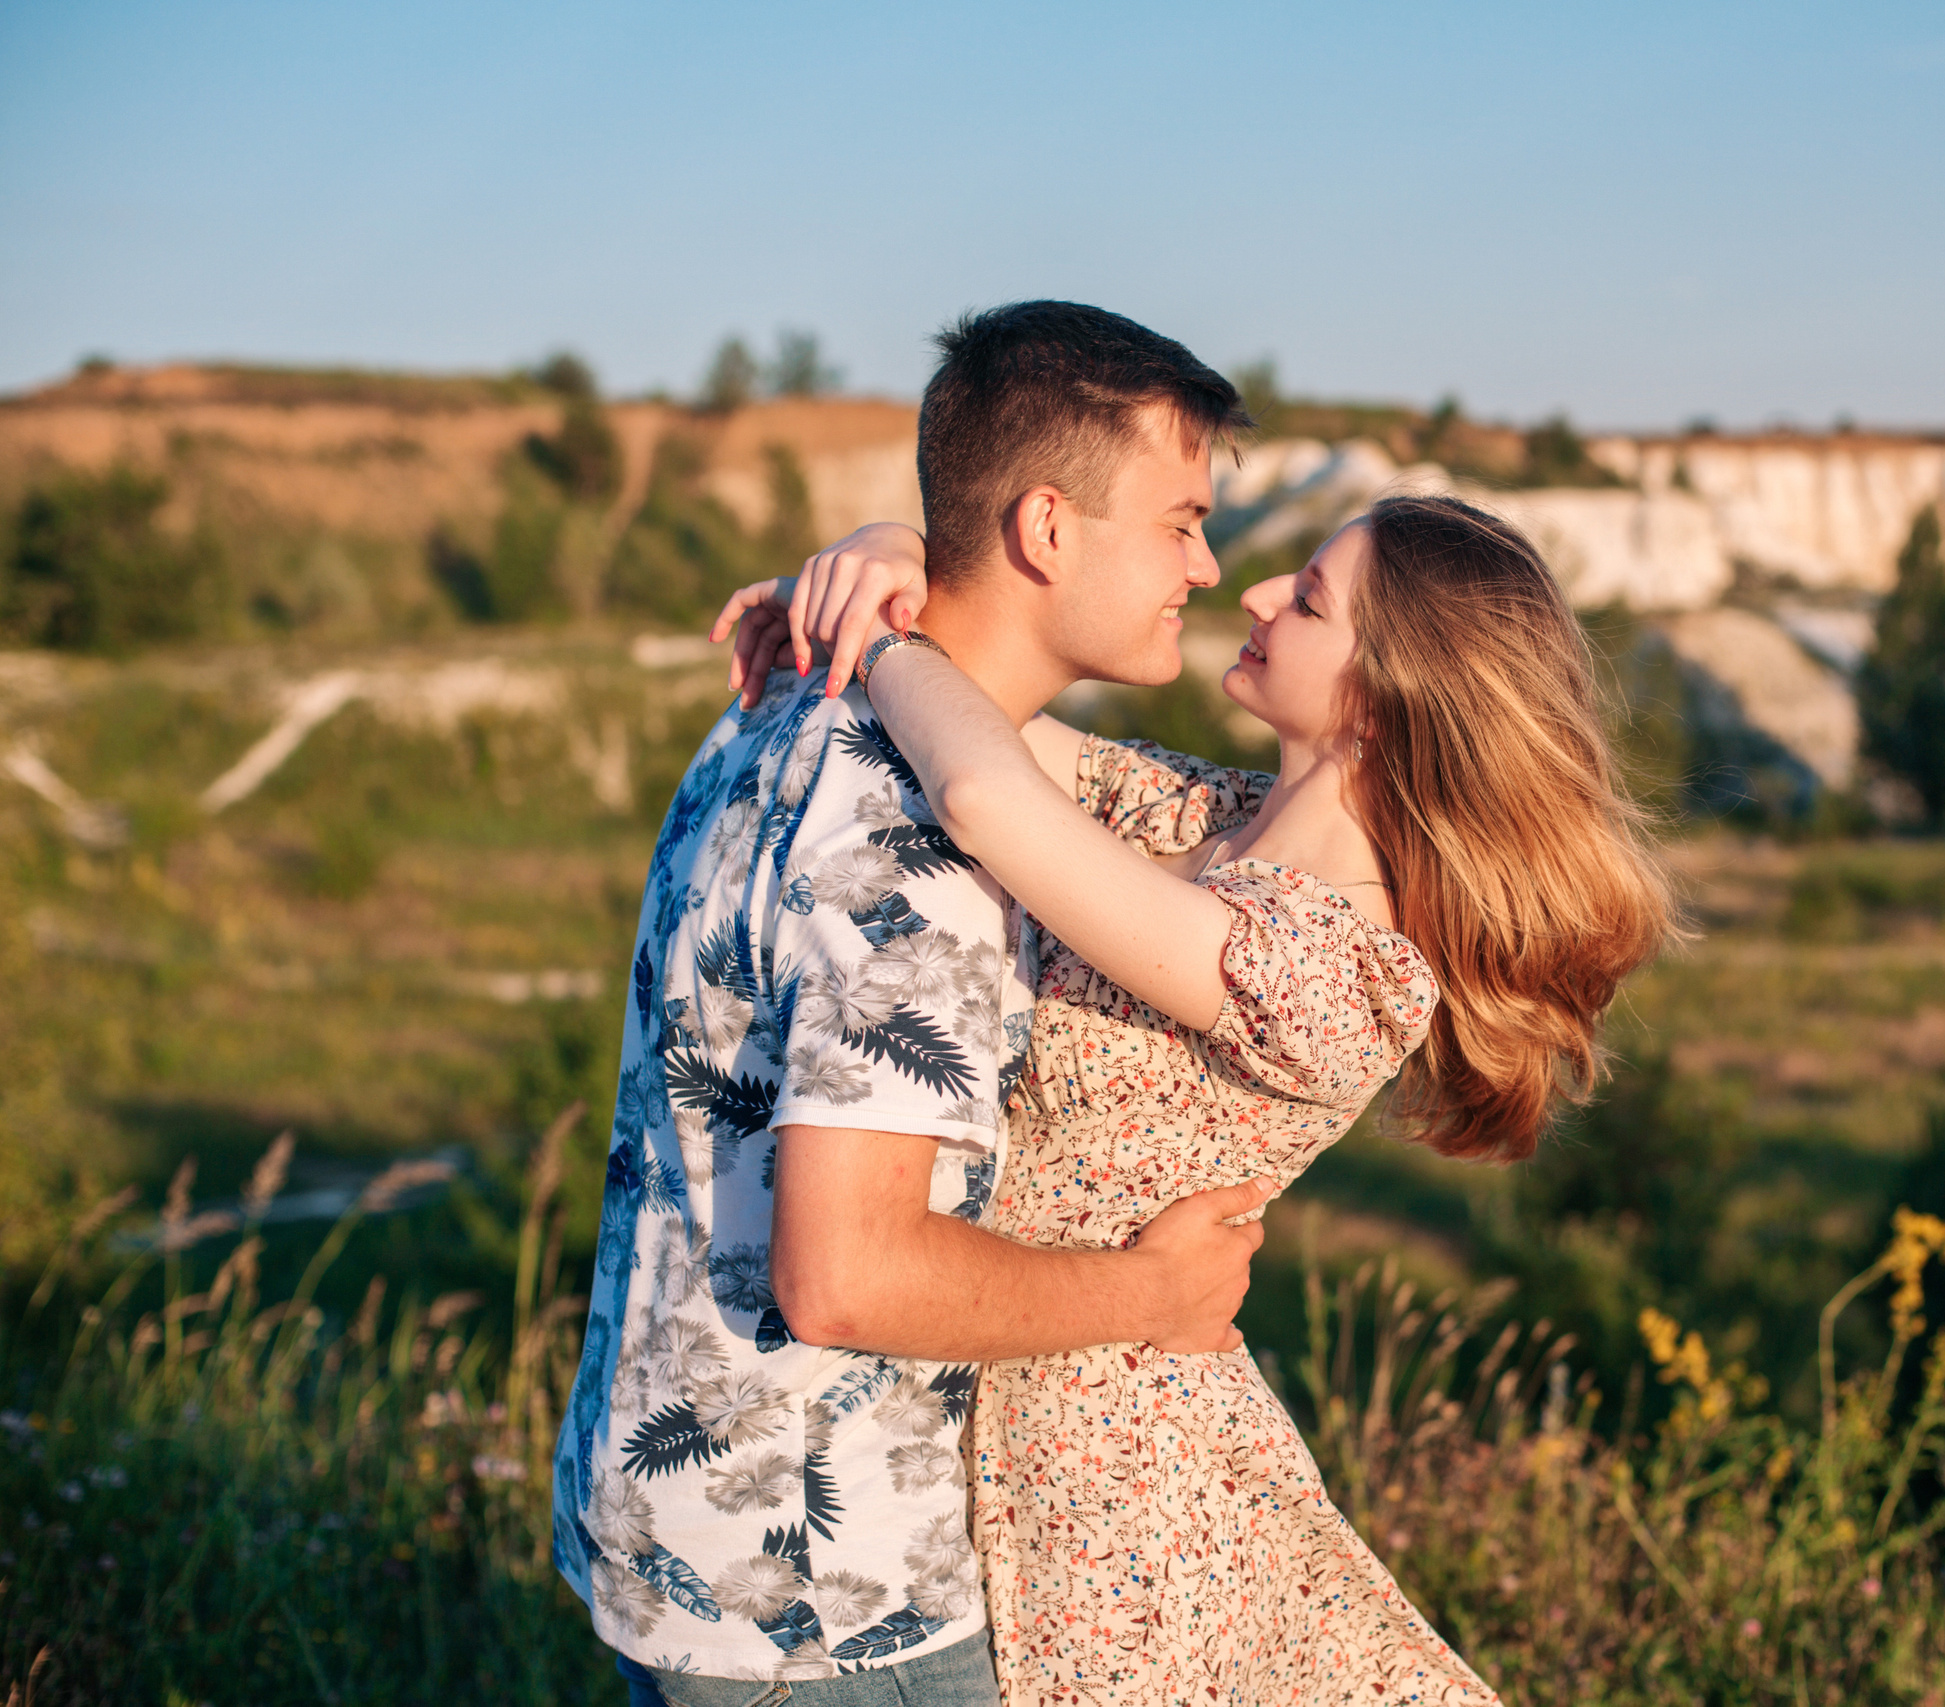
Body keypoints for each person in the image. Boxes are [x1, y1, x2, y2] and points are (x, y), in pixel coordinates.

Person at [714, 383, 1674, 1697]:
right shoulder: (1198, 818)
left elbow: (984, 788)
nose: (1262, 589)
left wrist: (879, 641)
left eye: (1316, 600)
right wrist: (897, 557)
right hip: (1017, 1399)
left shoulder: (1339, 969)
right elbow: (989, 708)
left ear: (1384, 706)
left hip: (1124, 1494)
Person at [553, 303, 1275, 1705]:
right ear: (1048, 529)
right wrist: (1158, 1292)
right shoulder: (919, 849)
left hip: (675, 1529)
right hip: (833, 1605)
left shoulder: (783, 698)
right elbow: (850, 1273)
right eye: (1180, 519)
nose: (1207, 562)